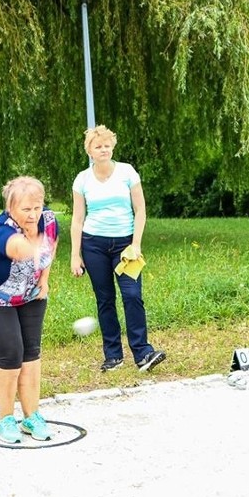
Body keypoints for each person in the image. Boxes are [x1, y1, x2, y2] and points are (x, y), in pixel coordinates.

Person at [0, 176, 59, 444]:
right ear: (11, 208)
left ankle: (32, 416)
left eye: (37, 207)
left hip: (29, 294)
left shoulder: (48, 220)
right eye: (25, 209)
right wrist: (31, 243)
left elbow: (50, 246)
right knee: (10, 352)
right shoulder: (0, 229)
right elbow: (17, 249)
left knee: (31, 351)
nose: (33, 215)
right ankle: (6, 418)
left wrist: (44, 278)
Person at [70, 125, 166, 373]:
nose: (103, 149)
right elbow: (78, 219)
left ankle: (143, 353)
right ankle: (113, 356)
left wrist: (136, 244)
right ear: (89, 150)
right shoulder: (82, 179)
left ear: (112, 147)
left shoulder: (127, 172)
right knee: (105, 300)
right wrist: (75, 255)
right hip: (94, 245)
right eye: (98, 146)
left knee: (133, 295)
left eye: (107, 145)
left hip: (125, 245)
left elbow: (141, 210)